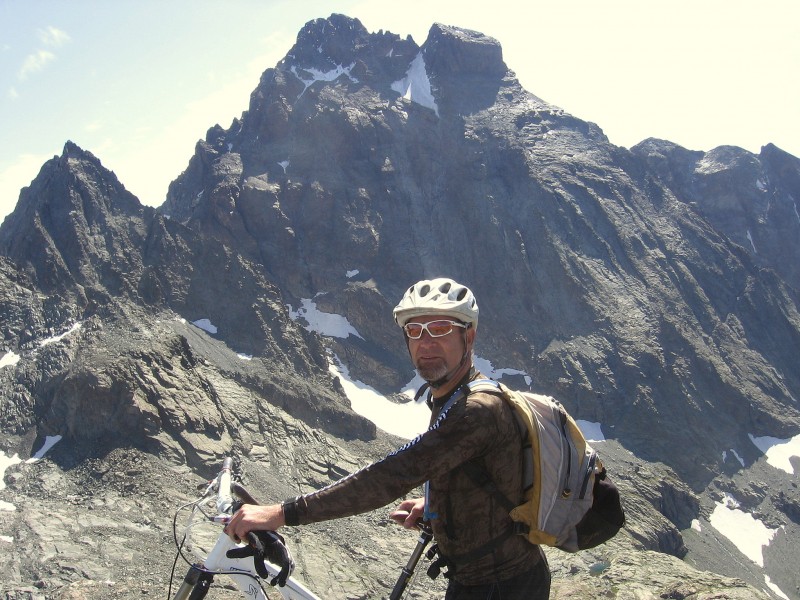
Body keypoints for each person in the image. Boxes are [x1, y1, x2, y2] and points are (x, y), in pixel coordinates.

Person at [225, 277, 551, 599]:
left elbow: (391, 476)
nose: (425, 342)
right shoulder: (453, 395)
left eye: (439, 329)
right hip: (485, 579)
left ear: (469, 335)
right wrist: (442, 504)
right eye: (414, 331)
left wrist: (281, 513)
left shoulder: (476, 410)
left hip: (503, 586)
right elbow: (477, 466)